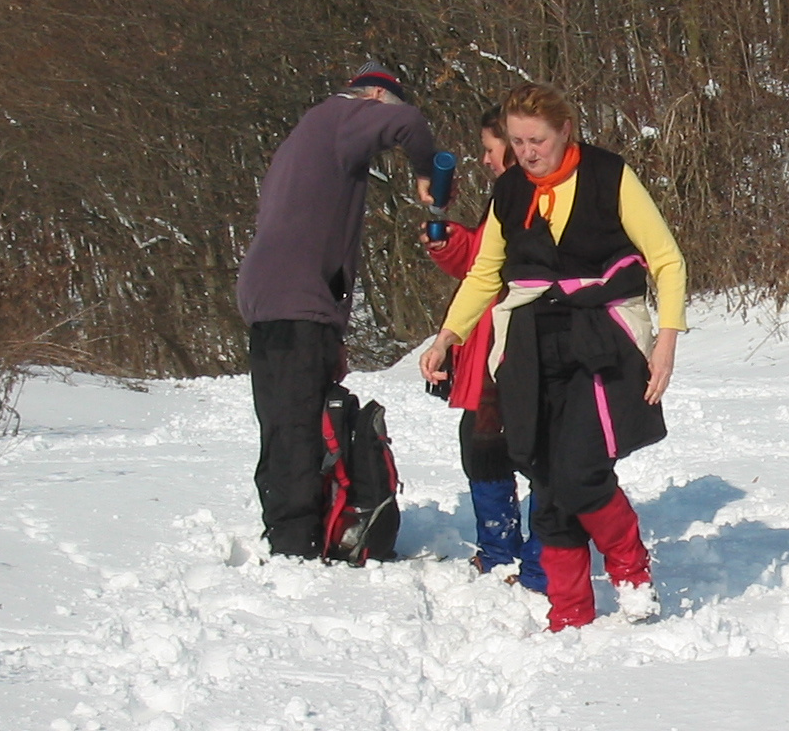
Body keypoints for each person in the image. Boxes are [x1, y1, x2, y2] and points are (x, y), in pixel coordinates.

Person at [419, 82, 686, 630]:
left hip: (602, 336)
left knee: (581, 471)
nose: (527, 151)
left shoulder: (610, 176)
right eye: (517, 142)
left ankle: (632, 576)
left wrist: (666, 339)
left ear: (565, 130)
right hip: (528, 342)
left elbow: (667, 260)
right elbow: (485, 273)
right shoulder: (511, 192)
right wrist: (447, 334)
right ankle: (569, 611)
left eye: (536, 139)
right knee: (544, 476)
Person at [237, 62, 435, 558]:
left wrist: (334, 330)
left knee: (286, 420)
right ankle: (295, 543)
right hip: (293, 303)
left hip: (279, 301)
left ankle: (299, 529)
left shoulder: (309, 138)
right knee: (297, 428)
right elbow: (408, 123)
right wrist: (429, 171)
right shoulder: (344, 116)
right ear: (373, 96)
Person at [423, 106, 546, 592]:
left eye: (491, 150)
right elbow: (479, 263)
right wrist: (444, 235)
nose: (486, 160)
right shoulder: (505, 199)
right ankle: (502, 551)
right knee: (483, 443)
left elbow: (495, 265)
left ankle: (534, 556)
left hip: (518, 344)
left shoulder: (532, 197)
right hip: (490, 344)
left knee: (530, 449)